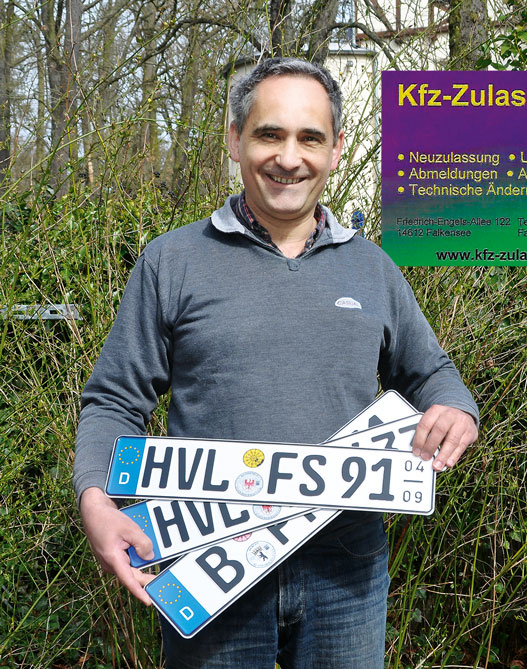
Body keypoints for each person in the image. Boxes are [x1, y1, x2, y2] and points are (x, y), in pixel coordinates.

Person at [73, 57, 479, 668]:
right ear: (235, 140)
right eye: (270, 134)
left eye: (310, 138)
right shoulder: (171, 262)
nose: (289, 158)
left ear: (337, 150)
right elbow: (114, 401)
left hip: (347, 572)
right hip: (210, 566)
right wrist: (96, 500)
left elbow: (430, 373)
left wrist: (457, 407)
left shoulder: (373, 267)